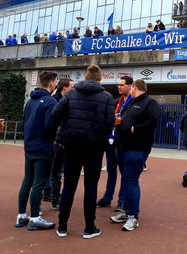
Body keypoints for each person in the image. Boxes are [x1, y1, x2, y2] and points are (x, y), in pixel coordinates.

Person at [52, 65, 116, 239]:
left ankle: (62, 227)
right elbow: (111, 121)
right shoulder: (107, 97)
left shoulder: (72, 93)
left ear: (85, 77)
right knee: (91, 186)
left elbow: (55, 113)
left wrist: (60, 137)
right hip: (94, 147)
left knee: (69, 185)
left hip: (72, 145)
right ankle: (89, 228)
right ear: (100, 78)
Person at [113, 79, 159, 231]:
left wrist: (135, 129)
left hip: (137, 148)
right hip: (122, 147)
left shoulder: (149, 103)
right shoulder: (131, 103)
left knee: (131, 181)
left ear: (134, 87)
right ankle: (127, 212)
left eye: (130, 87)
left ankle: (133, 216)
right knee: (126, 181)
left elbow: (154, 121)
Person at [16, 71, 58, 231]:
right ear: (52, 83)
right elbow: (49, 125)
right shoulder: (50, 102)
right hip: (43, 146)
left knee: (27, 180)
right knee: (39, 183)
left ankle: (21, 215)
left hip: (30, 146)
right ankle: (35, 217)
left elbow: (23, 122)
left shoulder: (30, 101)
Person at [100, 76, 133, 214]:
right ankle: (107, 198)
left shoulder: (133, 102)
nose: (119, 87)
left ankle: (122, 200)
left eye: (122, 85)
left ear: (130, 86)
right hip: (111, 140)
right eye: (118, 85)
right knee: (111, 171)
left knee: (124, 172)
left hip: (123, 142)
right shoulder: (116, 101)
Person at [42, 78, 74, 209]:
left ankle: (49, 192)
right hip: (56, 141)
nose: (74, 89)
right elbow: (53, 121)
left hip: (57, 139)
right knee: (55, 170)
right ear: (64, 87)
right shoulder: (55, 101)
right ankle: (53, 196)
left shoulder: (63, 100)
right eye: (72, 86)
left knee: (53, 169)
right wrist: (57, 137)